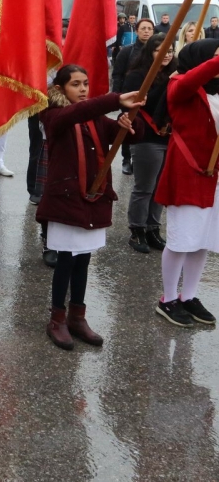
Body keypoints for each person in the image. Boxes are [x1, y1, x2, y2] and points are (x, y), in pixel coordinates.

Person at [38, 65, 144, 350]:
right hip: (66, 200)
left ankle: (77, 316)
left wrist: (129, 120)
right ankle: (56, 319)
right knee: (65, 260)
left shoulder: (94, 117)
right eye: (75, 84)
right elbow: (74, 114)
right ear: (60, 90)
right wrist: (114, 99)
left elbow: (129, 136)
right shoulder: (53, 115)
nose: (83, 89)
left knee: (83, 259)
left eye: (86, 83)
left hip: (92, 199)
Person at [152, 39, 219, 328]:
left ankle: (189, 296)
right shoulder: (179, 84)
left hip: (214, 174)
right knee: (181, 240)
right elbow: (191, 80)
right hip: (188, 172)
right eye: (214, 57)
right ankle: (167, 299)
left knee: (202, 240)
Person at [122, 35, 174, 254]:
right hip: (146, 137)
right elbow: (144, 103)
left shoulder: (175, 73)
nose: (167, 53)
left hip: (168, 137)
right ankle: (137, 229)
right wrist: (168, 84)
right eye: (160, 49)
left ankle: (153, 227)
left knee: (160, 187)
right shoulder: (137, 75)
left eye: (170, 49)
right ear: (149, 51)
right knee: (145, 187)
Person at [113, 18, 156, 175]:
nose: (146, 31)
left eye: (149, 29)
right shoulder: (127, 51)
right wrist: (117, 97)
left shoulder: (158, 51)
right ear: (137, 31)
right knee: (128, 127)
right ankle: (126, 159)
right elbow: (117, 75)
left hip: (151, 97)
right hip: (129, 96)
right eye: (143, 28)